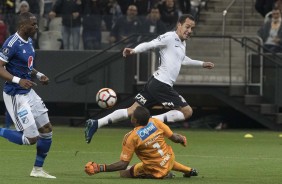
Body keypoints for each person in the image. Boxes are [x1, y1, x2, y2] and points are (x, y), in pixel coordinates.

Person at [85, 14, 214, 144]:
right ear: (179, 25)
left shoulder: (182, 43)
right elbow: (150, 44)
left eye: (192, 28)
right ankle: (151, 121)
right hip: (161, 85)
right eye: (187, 27)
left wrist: (202, 63)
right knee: (187, 112)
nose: (189, 31)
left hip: (154, 83)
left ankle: (96, 123)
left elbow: (182, 59)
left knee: (132, 111)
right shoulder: (169, 37)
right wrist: (134, 51)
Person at [0, 12, 55, 179]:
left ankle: (37, 170)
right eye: (33, 24)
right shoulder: (12, 43)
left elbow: (27, 66)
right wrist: (18, 80)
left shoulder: (29, 41)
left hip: (28, 92)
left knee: (46, 130)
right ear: (22, 25)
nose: (36, 27)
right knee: (31, 138)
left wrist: (39, 75)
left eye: (36, 24)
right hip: (16, 94)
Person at [84, 106, 198, 179]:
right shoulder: (156, 122)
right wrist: (182, 139)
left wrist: (100, 167)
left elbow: (122, 164)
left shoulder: (131, 137)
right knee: (164, 159)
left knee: (124, 173)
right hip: (170, 157)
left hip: (156, 169)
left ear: (135, 120)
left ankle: (165, 175)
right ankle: (188, 170)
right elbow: (174, 138)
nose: (131, 115)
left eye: (132, 115)